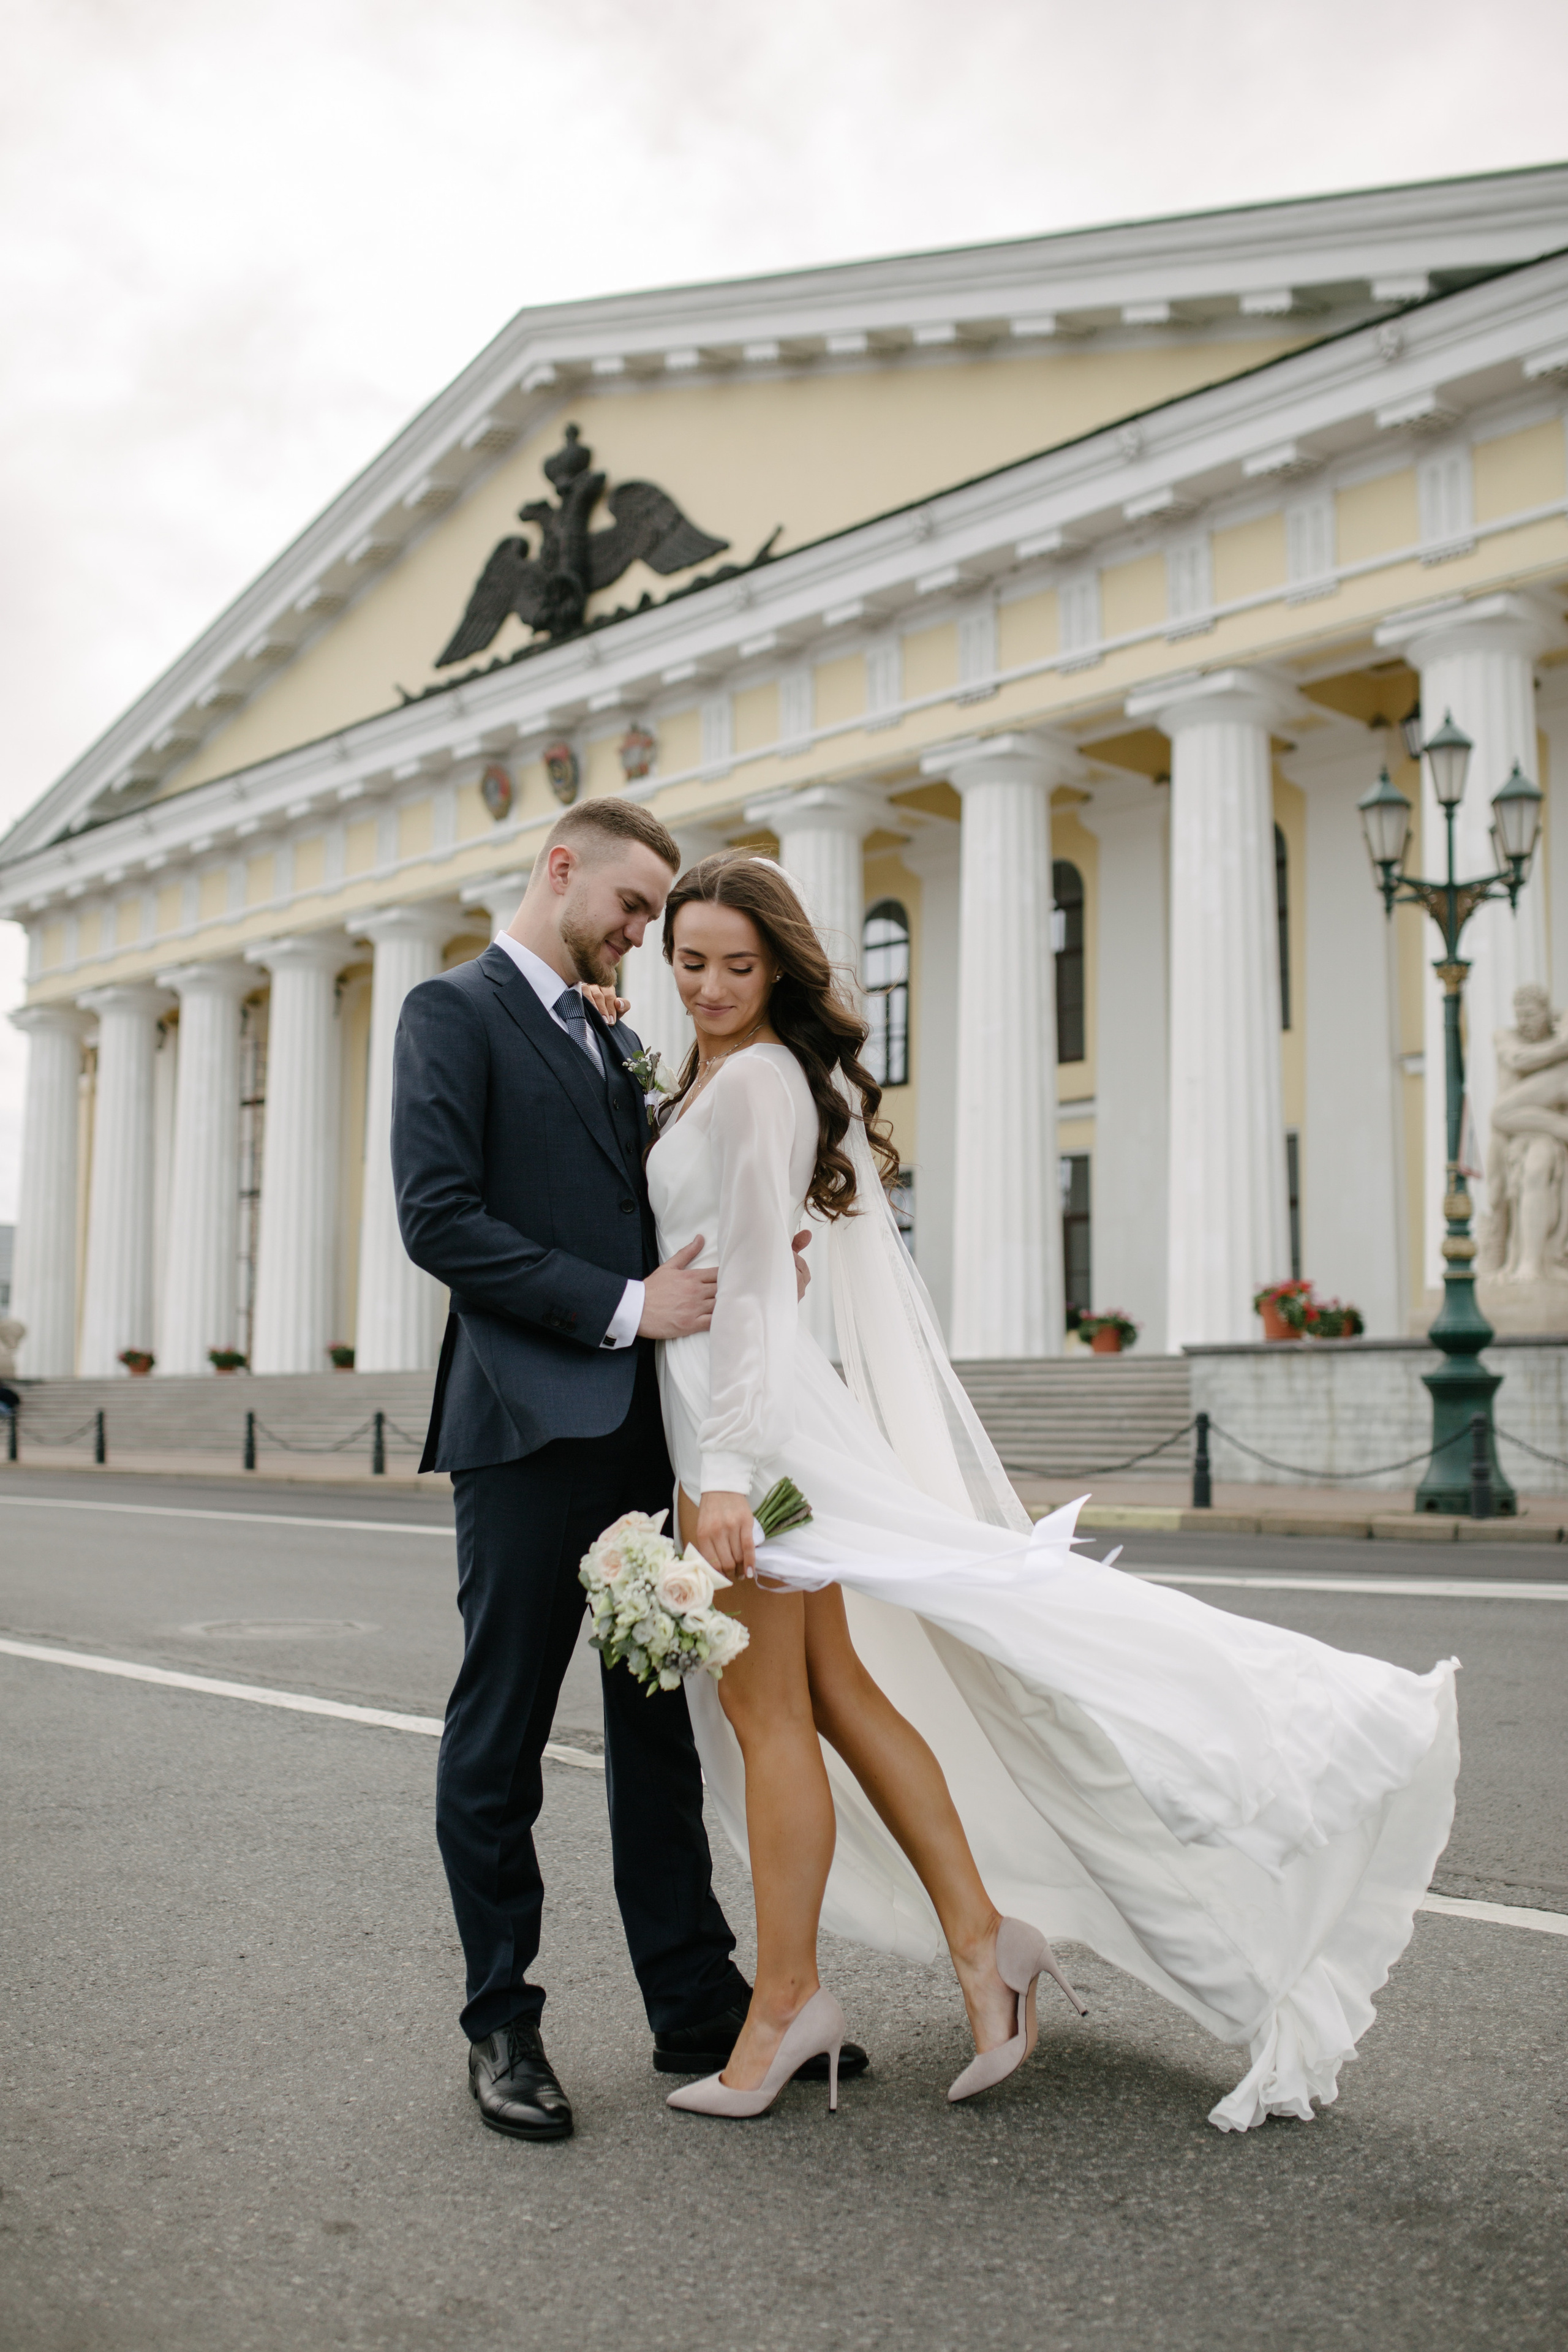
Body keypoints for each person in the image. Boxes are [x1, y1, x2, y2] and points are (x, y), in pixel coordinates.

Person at [641, 850, 1460, 2130]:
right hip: (753, 1416)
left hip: (747, 1439)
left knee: (767, 1715)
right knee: (834, 1691)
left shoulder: (752, 1083)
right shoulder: (717, 1073)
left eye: (737, 966)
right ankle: (984, 1940)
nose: (709, 986)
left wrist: (729, 1478)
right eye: (689, 962)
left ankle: (787, 2003)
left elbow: (750, 1278)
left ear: (779, 970)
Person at [390, 799, 867, 2143]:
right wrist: (625, 1305)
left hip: (648, 1436)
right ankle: (502, 2025)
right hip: (526, 1430)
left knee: (655, 1732)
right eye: (635, 907)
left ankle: (695, 2001)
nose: (644, 936)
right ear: (562, 870)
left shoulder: (614, 1036)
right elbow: (439, 1218)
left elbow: (675, 1198)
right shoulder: (451, 1012)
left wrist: (754, 1261)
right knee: (502, 1733)